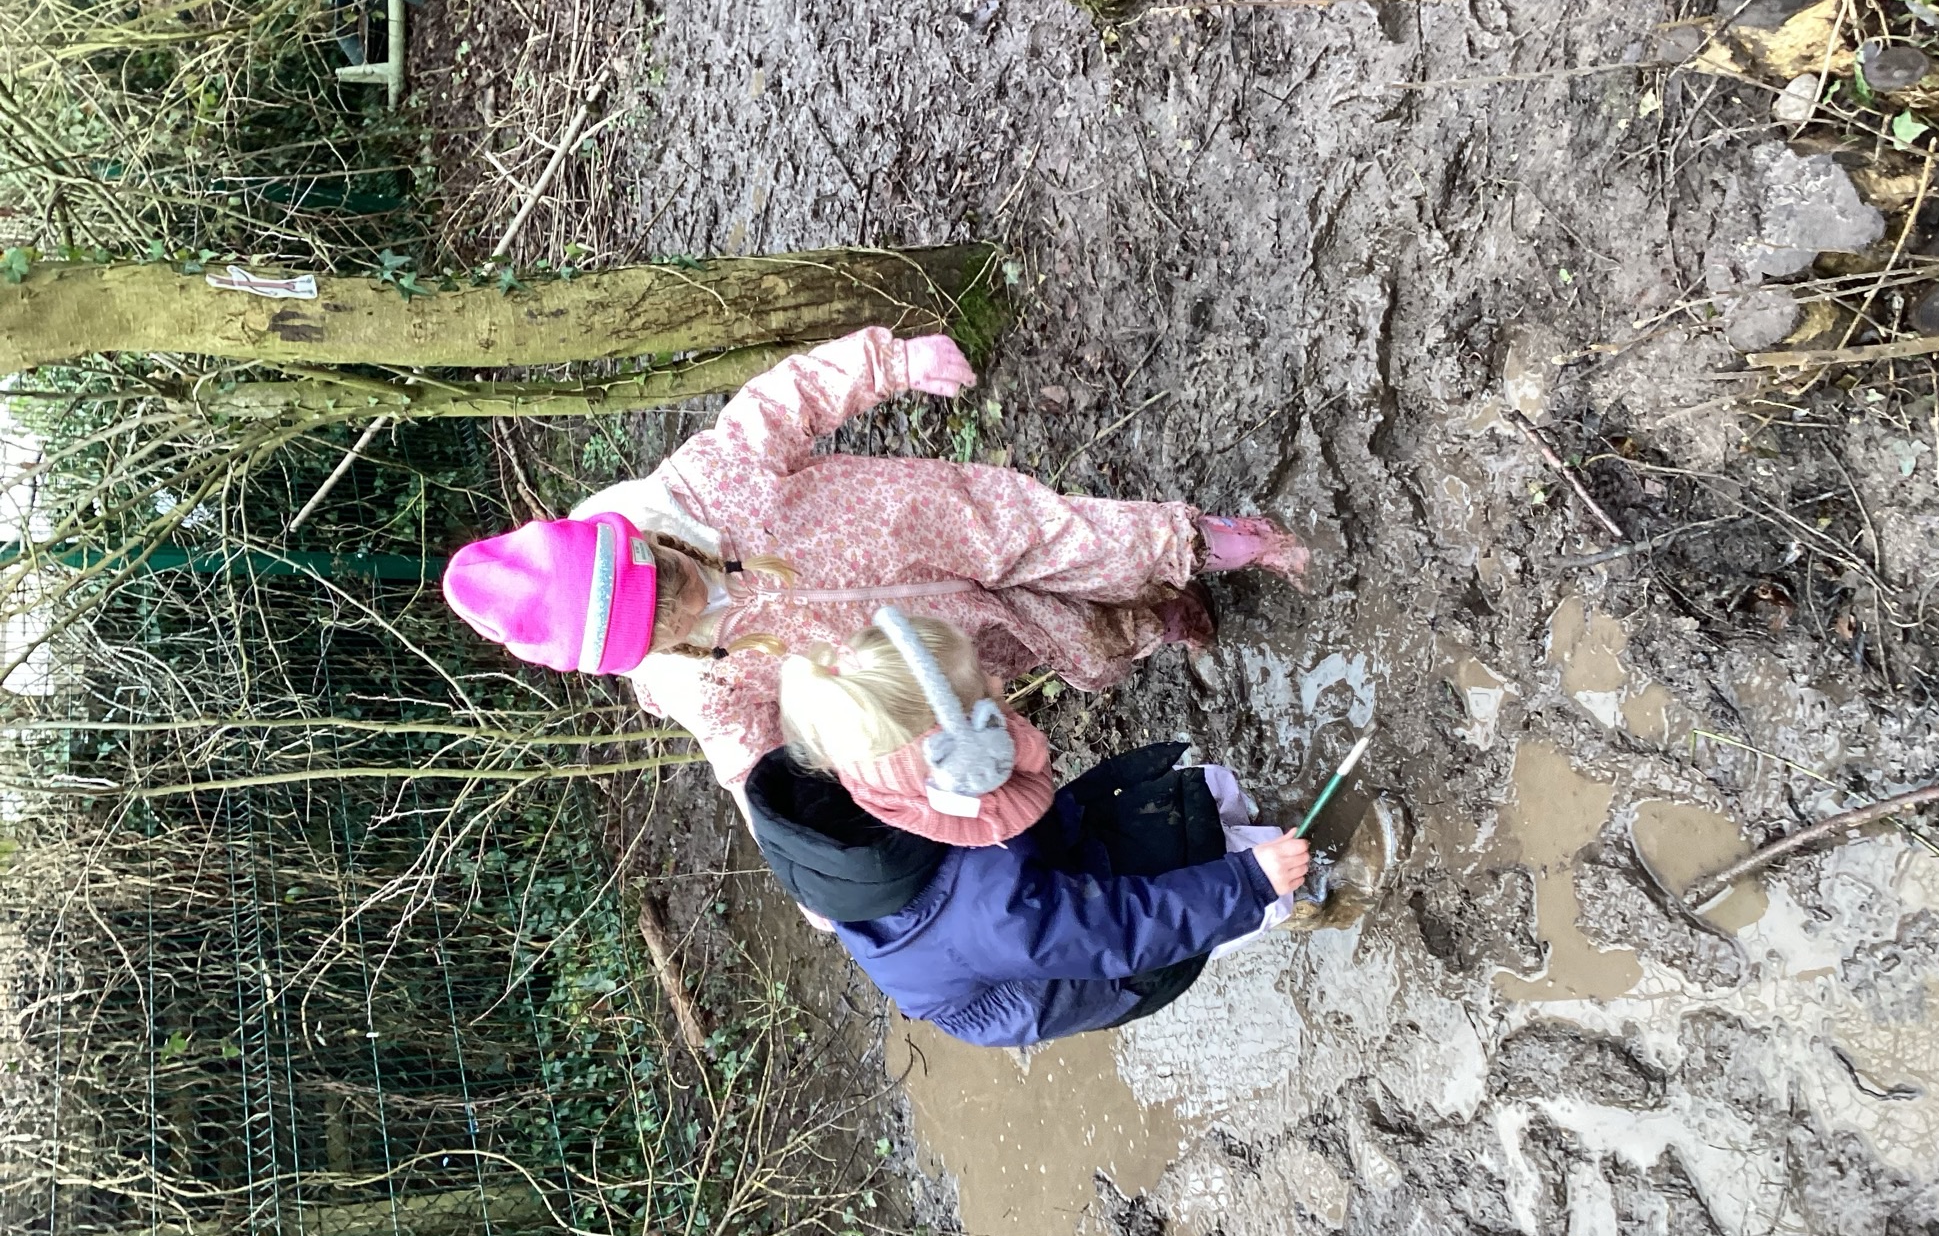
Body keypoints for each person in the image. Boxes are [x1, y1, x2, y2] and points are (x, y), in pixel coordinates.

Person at [440, 327, 1308, 806]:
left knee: (1071, 540)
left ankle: (1230, 542)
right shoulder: (691, 684)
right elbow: (746, 760)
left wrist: (890, 362)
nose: (680, 601)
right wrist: (794, 845)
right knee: (1066, 638)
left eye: (664, 578)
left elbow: (789, 399)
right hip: (936, 643)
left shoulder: (702, 485)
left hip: (942, 524)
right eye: (658, 626)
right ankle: (1157, 616)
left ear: (640, 542)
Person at [742, 609, 1310, 1048]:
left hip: (1022, 888)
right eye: (985, 698)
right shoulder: (995, 914)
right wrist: (1252, 883)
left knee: (1199, 799)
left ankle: (1250, 844)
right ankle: (1303, 897)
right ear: (954, 763)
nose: (996, 680)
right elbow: (1121, 931)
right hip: (1065, 971)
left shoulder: (873, 776)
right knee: (1247, 890)